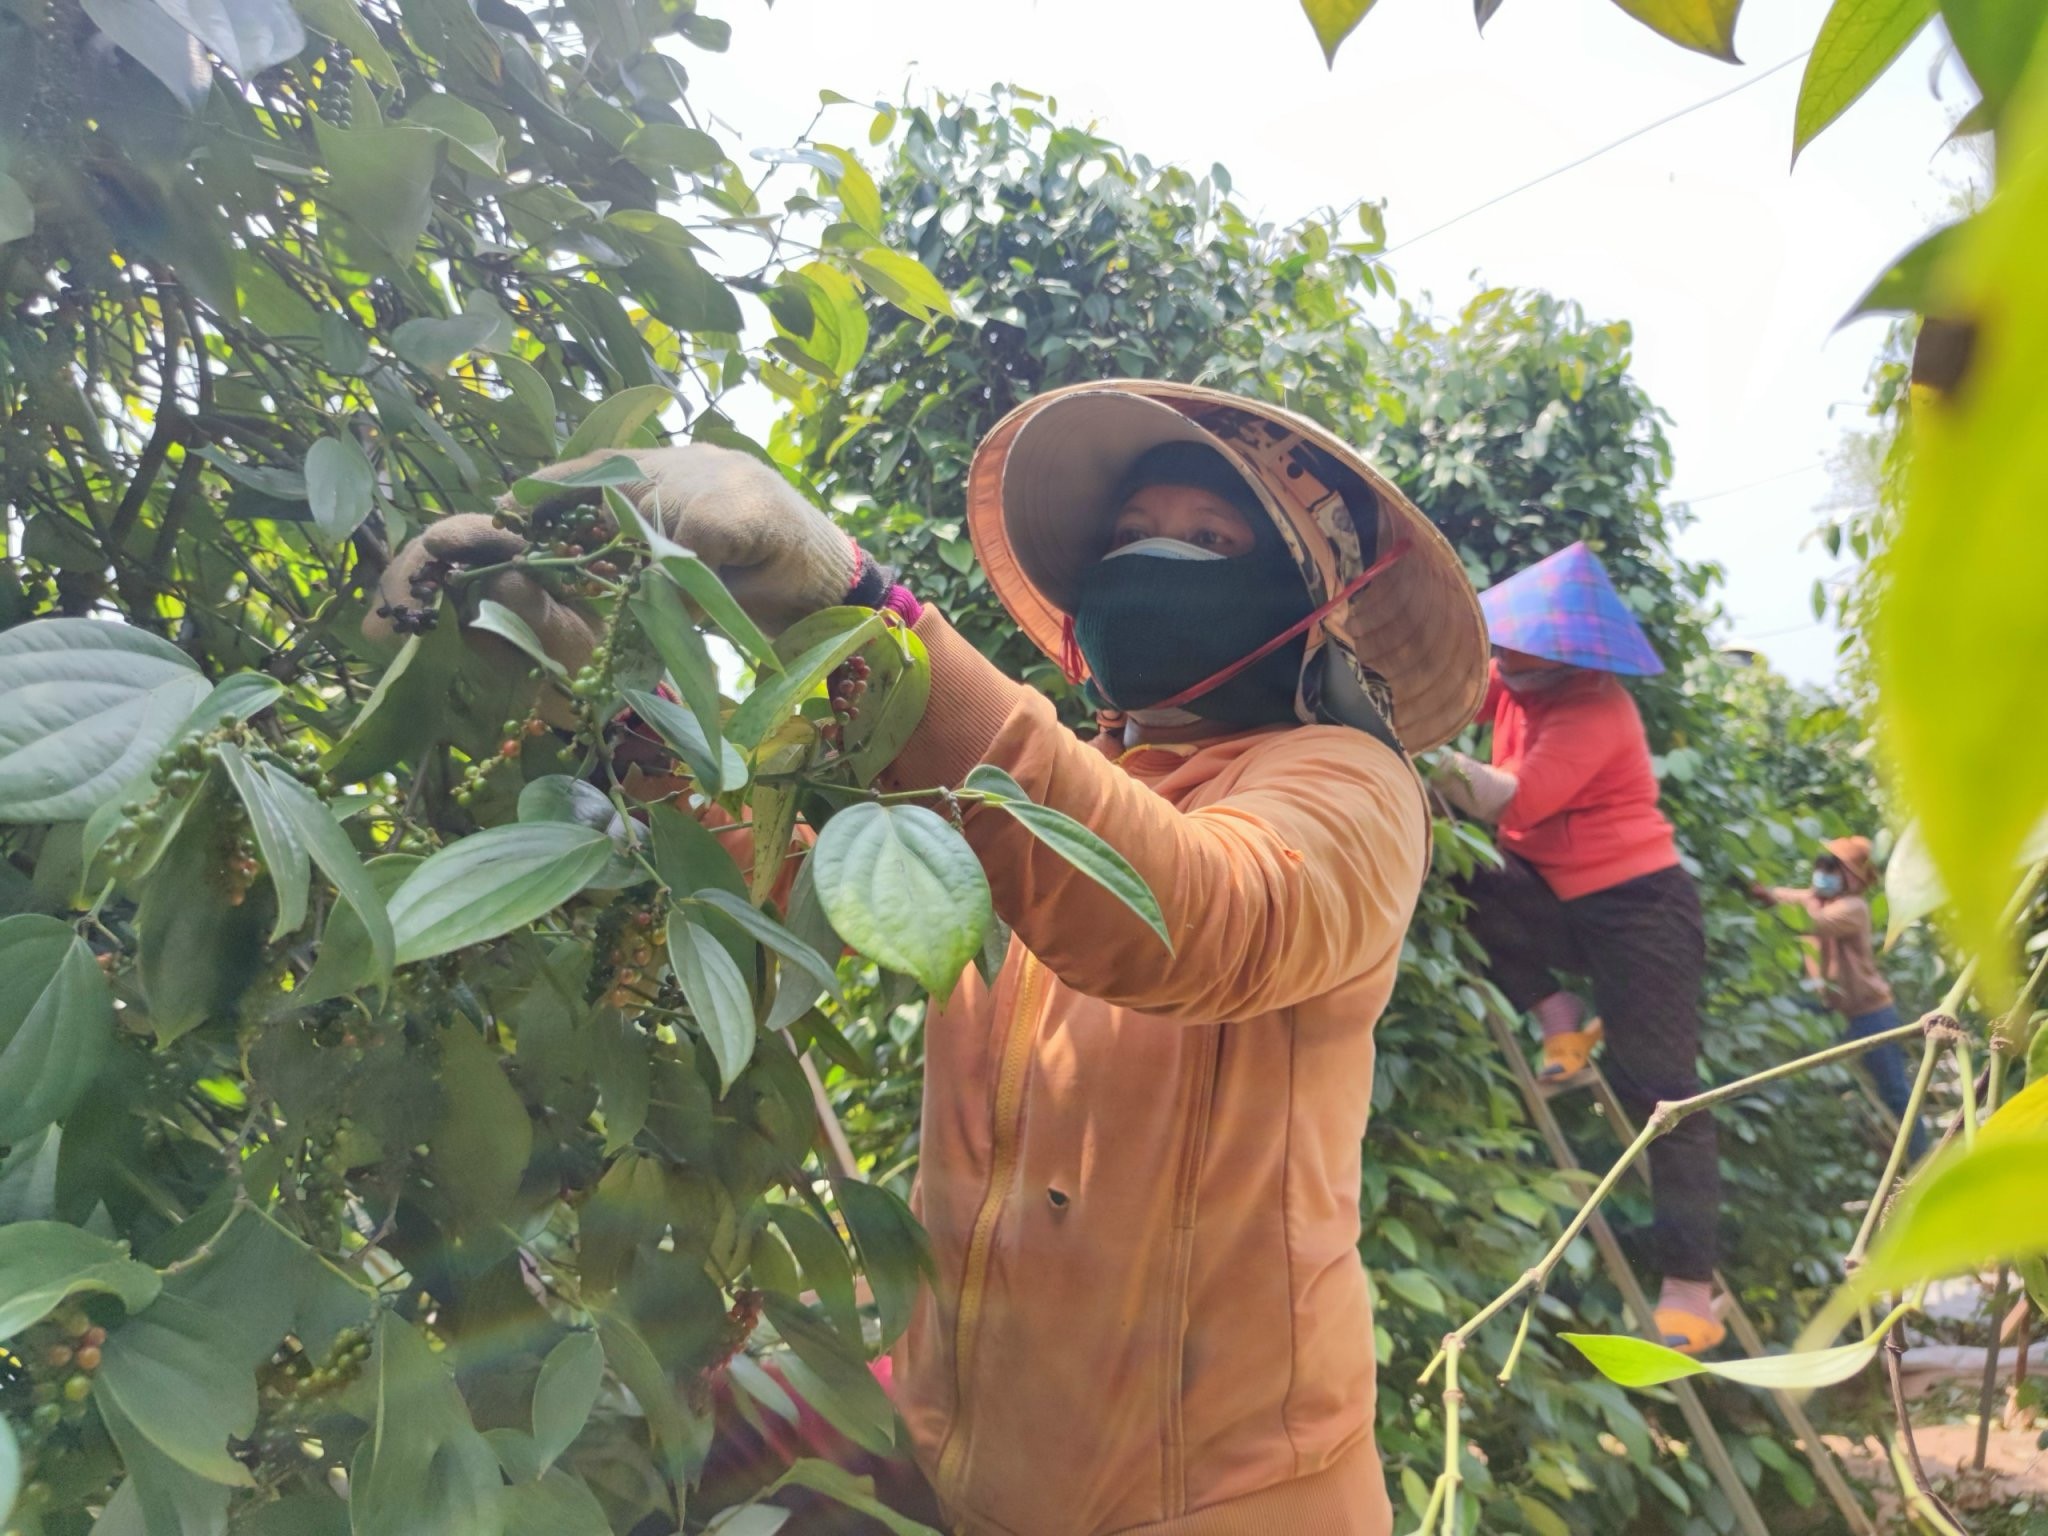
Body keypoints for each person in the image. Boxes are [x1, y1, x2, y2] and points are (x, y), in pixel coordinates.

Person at [369, 380, 1490, 1535]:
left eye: (1208, 542)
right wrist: (600, 693)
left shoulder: (1347, 789)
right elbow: (795, 891)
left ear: (1301, 610)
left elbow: (1192, 915)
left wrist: (853, 611)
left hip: (1215, 1497)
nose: (1157, 560)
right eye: (1131, 537)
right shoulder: (1034, 804)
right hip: (947, 1438)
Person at [1433, 540, 1724, 1356]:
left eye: (1518, 645)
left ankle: (1691, 1291)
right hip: (1557, 893)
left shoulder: (1596, 709)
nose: (1504, 655)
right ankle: (1562, 1019)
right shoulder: (1513, 676)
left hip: (1641, 911)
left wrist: (1428, 756)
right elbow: (1449, 698)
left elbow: (1505, 799)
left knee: (1662, 1095)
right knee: (1453, 865)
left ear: (1564, 651)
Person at [1752, 837, 1930, 1162]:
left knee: (1895, 1092)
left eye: (1834, 869)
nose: (1824, 874)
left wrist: (1775, 900)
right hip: (1832, 1010)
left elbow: (1807, 921)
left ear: (1853, 878)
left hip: (1870, 1014)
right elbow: (1786, 896)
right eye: (1823, 866)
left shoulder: (1853, 909)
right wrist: (1759, 890)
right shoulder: (1816, 899)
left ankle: (1924, 1161)